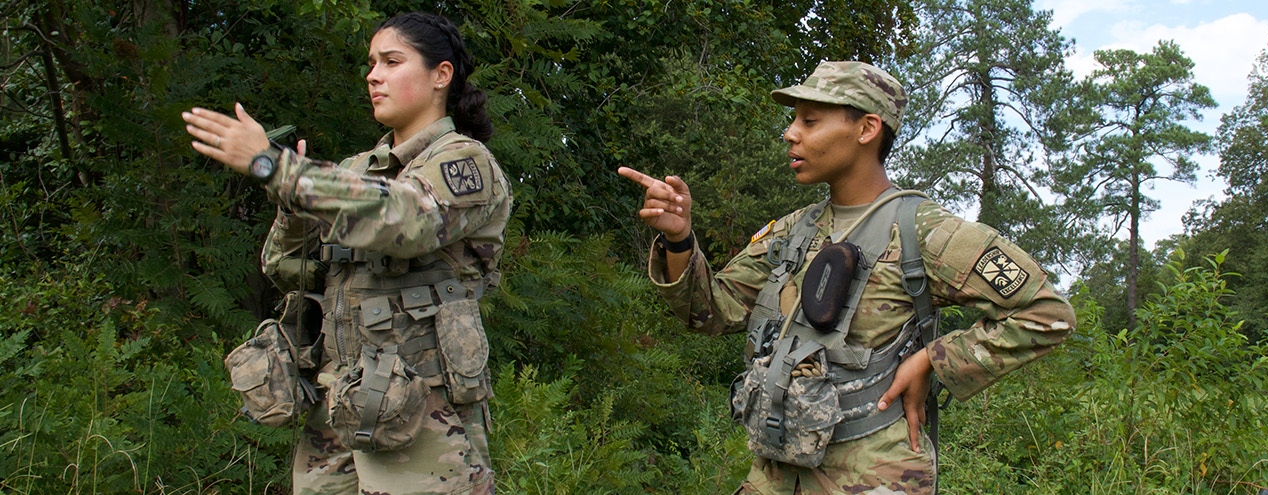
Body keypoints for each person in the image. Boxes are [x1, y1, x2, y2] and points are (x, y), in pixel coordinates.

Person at [618, 61, 1075, 494]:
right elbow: (710, 311)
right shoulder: (792, 231)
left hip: (874, 474)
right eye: (794, 120)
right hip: (775, 475)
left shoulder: (926, 232)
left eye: (810, 121)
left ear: (866, 129)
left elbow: (1047, 313)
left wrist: (933, 360)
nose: (790, 133)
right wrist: (680, 239)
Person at [182, 12, 509, 495]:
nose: (373, 75)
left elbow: (409, 220)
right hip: (338, 404)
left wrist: (281, 169)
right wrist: (294, 202)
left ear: (441, 75)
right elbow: (286, 269)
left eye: (391, 61)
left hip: (422, 409)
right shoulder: (356, 171)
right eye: (371, 63)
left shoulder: (464, 160)